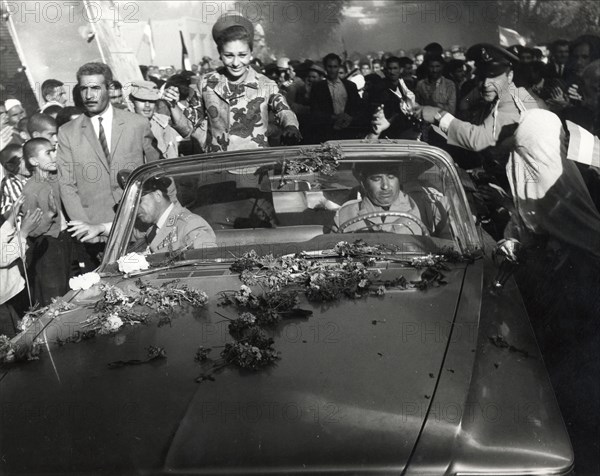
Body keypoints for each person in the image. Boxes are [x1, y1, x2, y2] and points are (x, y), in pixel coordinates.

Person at [163, 14, 301, 153]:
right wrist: (173, 106)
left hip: (257, 167)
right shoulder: (205, 83)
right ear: (220, 53)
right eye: (229, 55)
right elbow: (188, 128)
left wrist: (291, 127)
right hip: (217, 166)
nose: (235, 63)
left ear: (251, 53)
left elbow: (284, 111)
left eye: (242, 55)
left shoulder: (266, 84)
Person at [57, 62, 161, 227]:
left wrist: (167, 216)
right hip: (94, 230)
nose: (89, 95)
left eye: (95, 88)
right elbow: (67, 185)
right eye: (84, 89)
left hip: (139, 223)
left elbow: (160, 172)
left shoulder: (137, 124)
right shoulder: (67, 133)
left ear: (109, 88)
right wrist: (84, 226)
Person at [333, 162, 449, 237]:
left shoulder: (425, 206)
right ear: (363, 183)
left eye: (391, 177)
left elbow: (452, 246)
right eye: (377, 179)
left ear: (399, 179)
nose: (386, 186)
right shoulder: (345, 215)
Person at [21, 138, 72, 306]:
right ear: (34, 161)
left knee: (72, 287)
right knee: (55, 296)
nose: (54, 156)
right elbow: (32, 231)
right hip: (47, 247)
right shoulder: (31, 189)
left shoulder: (56, 179)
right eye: (48, 153)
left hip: (66, 239)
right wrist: (49, 214)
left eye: (54, 150)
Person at [132, 176, 215, 254]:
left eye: (139, 201)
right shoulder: (151, 229)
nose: (136, 209)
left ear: (158, 196)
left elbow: (209, 263)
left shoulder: (190, 225)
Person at [0, 195, 42, 337]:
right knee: (12, 346)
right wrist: (23, 232)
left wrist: (12, 217)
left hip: (9, 295)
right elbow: (3, 257)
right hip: (2, 304)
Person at [309, 52, 365, 142]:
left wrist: (350, 118)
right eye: (329, 67)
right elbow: (314, 111)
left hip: (348, 131)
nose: (332, 70)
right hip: (327, 131)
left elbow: (357, 107)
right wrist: (332, 118)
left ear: (339, 67)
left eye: (335, 67)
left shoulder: (350, 86)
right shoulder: (318, 87)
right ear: (325, 68)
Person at [130, 81, 179, 159]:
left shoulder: (163, 124)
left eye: (151, 101)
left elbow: (172, 157)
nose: (147, 105)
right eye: (142, 101)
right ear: (132, 103)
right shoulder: (124, 125)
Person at [0, 144, 30, 216]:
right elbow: (25, 205)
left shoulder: (28, 175)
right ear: (10, 167)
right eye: (23, 159)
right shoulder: (10, 183)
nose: (28, 161)